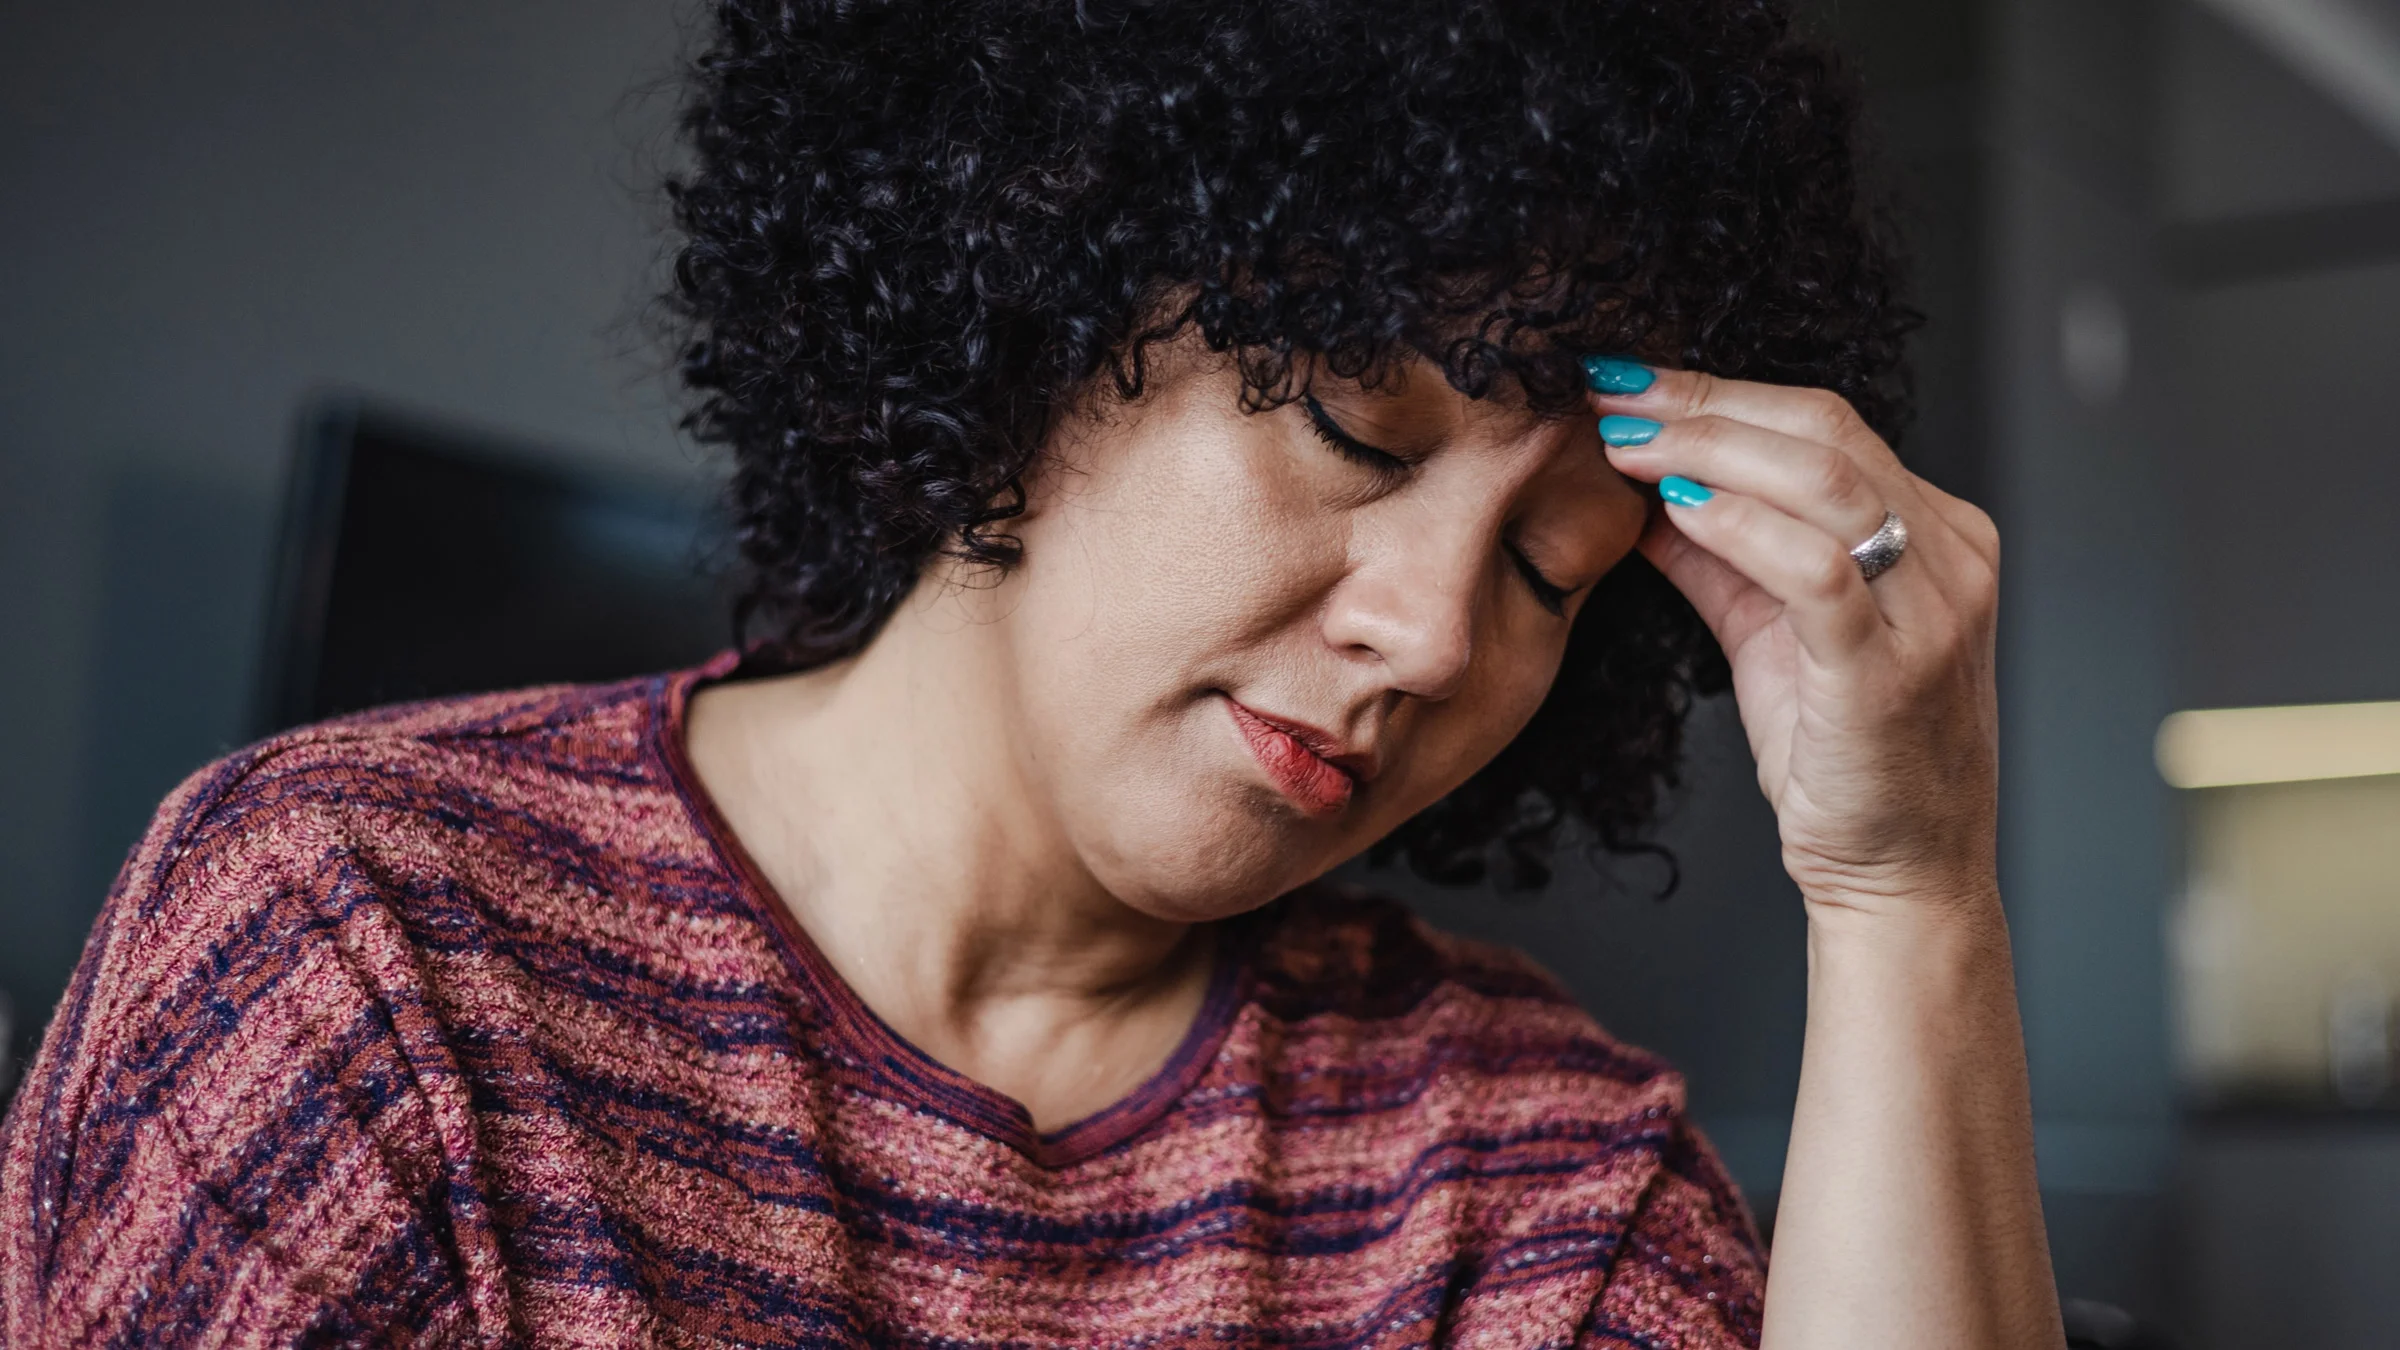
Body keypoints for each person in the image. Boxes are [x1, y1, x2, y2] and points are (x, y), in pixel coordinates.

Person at [0, 0, 2064, 1345]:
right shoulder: (368, 948)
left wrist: (1911, 900)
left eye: (1547, 568)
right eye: (1357, 426)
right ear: (1046, 297)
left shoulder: (1522, 1173)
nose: (1435, 636)